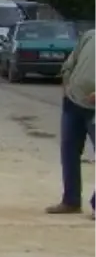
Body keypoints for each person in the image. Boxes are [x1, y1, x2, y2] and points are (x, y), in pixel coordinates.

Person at [47, 23, 96, 217]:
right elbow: (70, 63)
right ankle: (71, 201)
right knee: (69, 152)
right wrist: (66, 85)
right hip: (73, 103)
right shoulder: (90, 36)